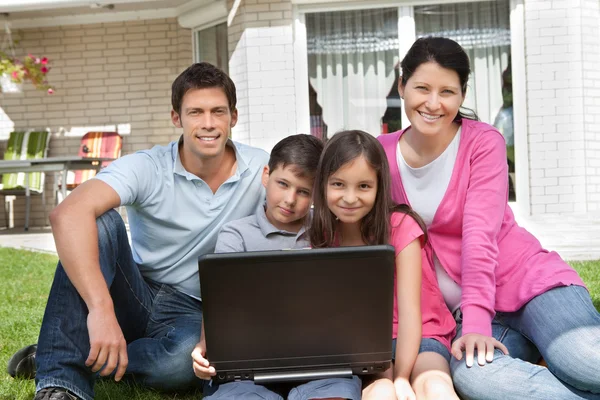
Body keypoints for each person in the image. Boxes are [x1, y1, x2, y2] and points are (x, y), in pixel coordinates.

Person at [9, 62, 270, 400]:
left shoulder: (261, 169)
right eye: (195, 112)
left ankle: (64, 349)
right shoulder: (148, 167)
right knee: (100, 221)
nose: (208, 123)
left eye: (218, 111)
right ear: (177, 118)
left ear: (233, 117)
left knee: (179, 366)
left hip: (195, 309)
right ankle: (61, 382)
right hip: (137, 292)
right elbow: (67, 213)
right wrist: (101, 310)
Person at [378, 36, 600, 400]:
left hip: (531, 286)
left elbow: (479, 236)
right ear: (402, 87)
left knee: (582, 361)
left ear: (462, 95)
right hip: (468, 316)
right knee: (475, 379)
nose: (433, 103)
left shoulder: (483, 142)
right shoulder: (381, 154)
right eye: (422, 88)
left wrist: (478, 323)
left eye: (447, 91)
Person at [192, 133, 363, 400]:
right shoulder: (235, 235)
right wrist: (205, 345)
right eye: (282, 184)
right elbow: (218, 304)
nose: (290, 199)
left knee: (338, 389)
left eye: (304, 191)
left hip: (320, 364)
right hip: (247, 367)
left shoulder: (329, 231)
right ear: (266, 175)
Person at [309, 130, 457, 400]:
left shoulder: (401, 227)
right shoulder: (322, 237)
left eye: (364, 186)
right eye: (338, 184)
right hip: (367, 344)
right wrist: (390, 378)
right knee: (382, 391)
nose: (350, 198)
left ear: (379, 187)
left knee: (434, 385)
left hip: (422, 333)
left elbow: (412, 313)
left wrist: (402, 376)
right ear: (323, 185)